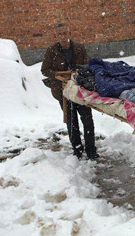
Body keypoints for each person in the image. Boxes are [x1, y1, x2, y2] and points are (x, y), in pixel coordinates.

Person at [41, 23, 98, 160]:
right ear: (56, 36)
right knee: (72, 122)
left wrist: (78, 73)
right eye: (59, 34)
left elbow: (86, 66)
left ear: (69, 33)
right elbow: (45, 70)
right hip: (63, 92)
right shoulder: (51, 51)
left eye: (64, 33)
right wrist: (58, 75)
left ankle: (91, 150)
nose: (62, 36)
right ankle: (77, 150)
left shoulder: (79, 48)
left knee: (87, 120)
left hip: (80, 90)